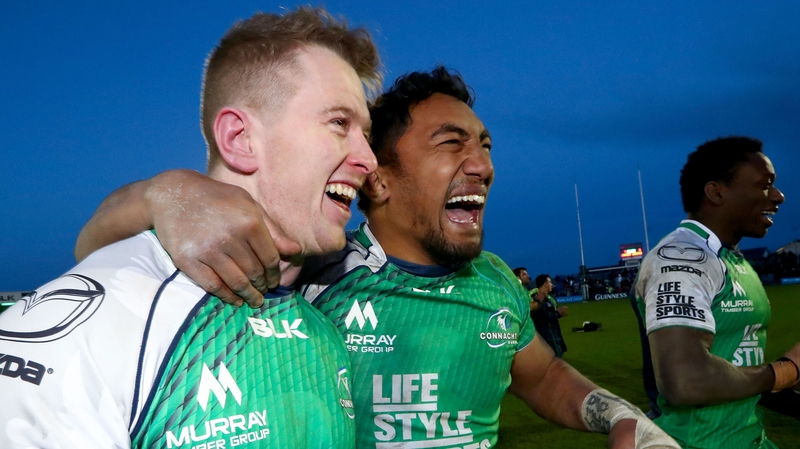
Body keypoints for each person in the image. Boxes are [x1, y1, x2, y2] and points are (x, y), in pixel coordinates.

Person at [76, 67, 678, 448]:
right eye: (453, 143)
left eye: (486, 145)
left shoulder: (495, 283)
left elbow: (543, 376)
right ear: (379, 180)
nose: (484, 165)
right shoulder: (311, 274)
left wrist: (620, 418)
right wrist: (166, 193)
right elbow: (96, 251)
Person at [0, 8, 381, 448]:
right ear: (240, 140)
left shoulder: (326, 317)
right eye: (339, 124)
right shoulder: (100, 323)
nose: (368, 160)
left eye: (366, 134)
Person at [633, 136, 800, 448]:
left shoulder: (731, 259)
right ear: (716, 192)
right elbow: (686, 380)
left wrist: (784, 376)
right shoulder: (680, 258)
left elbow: (738, 374)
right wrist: (786, 371)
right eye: (765, 185)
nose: (779, 196)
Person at [529, 274, 568, 357]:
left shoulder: (547, 297)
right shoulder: (538, 298)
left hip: (553, 333)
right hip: (546, 335)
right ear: (544, 284)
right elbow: (543, 317)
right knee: (555, 360)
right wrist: (558, 313)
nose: (552, 284)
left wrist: (559, 314)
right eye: (550, 282)